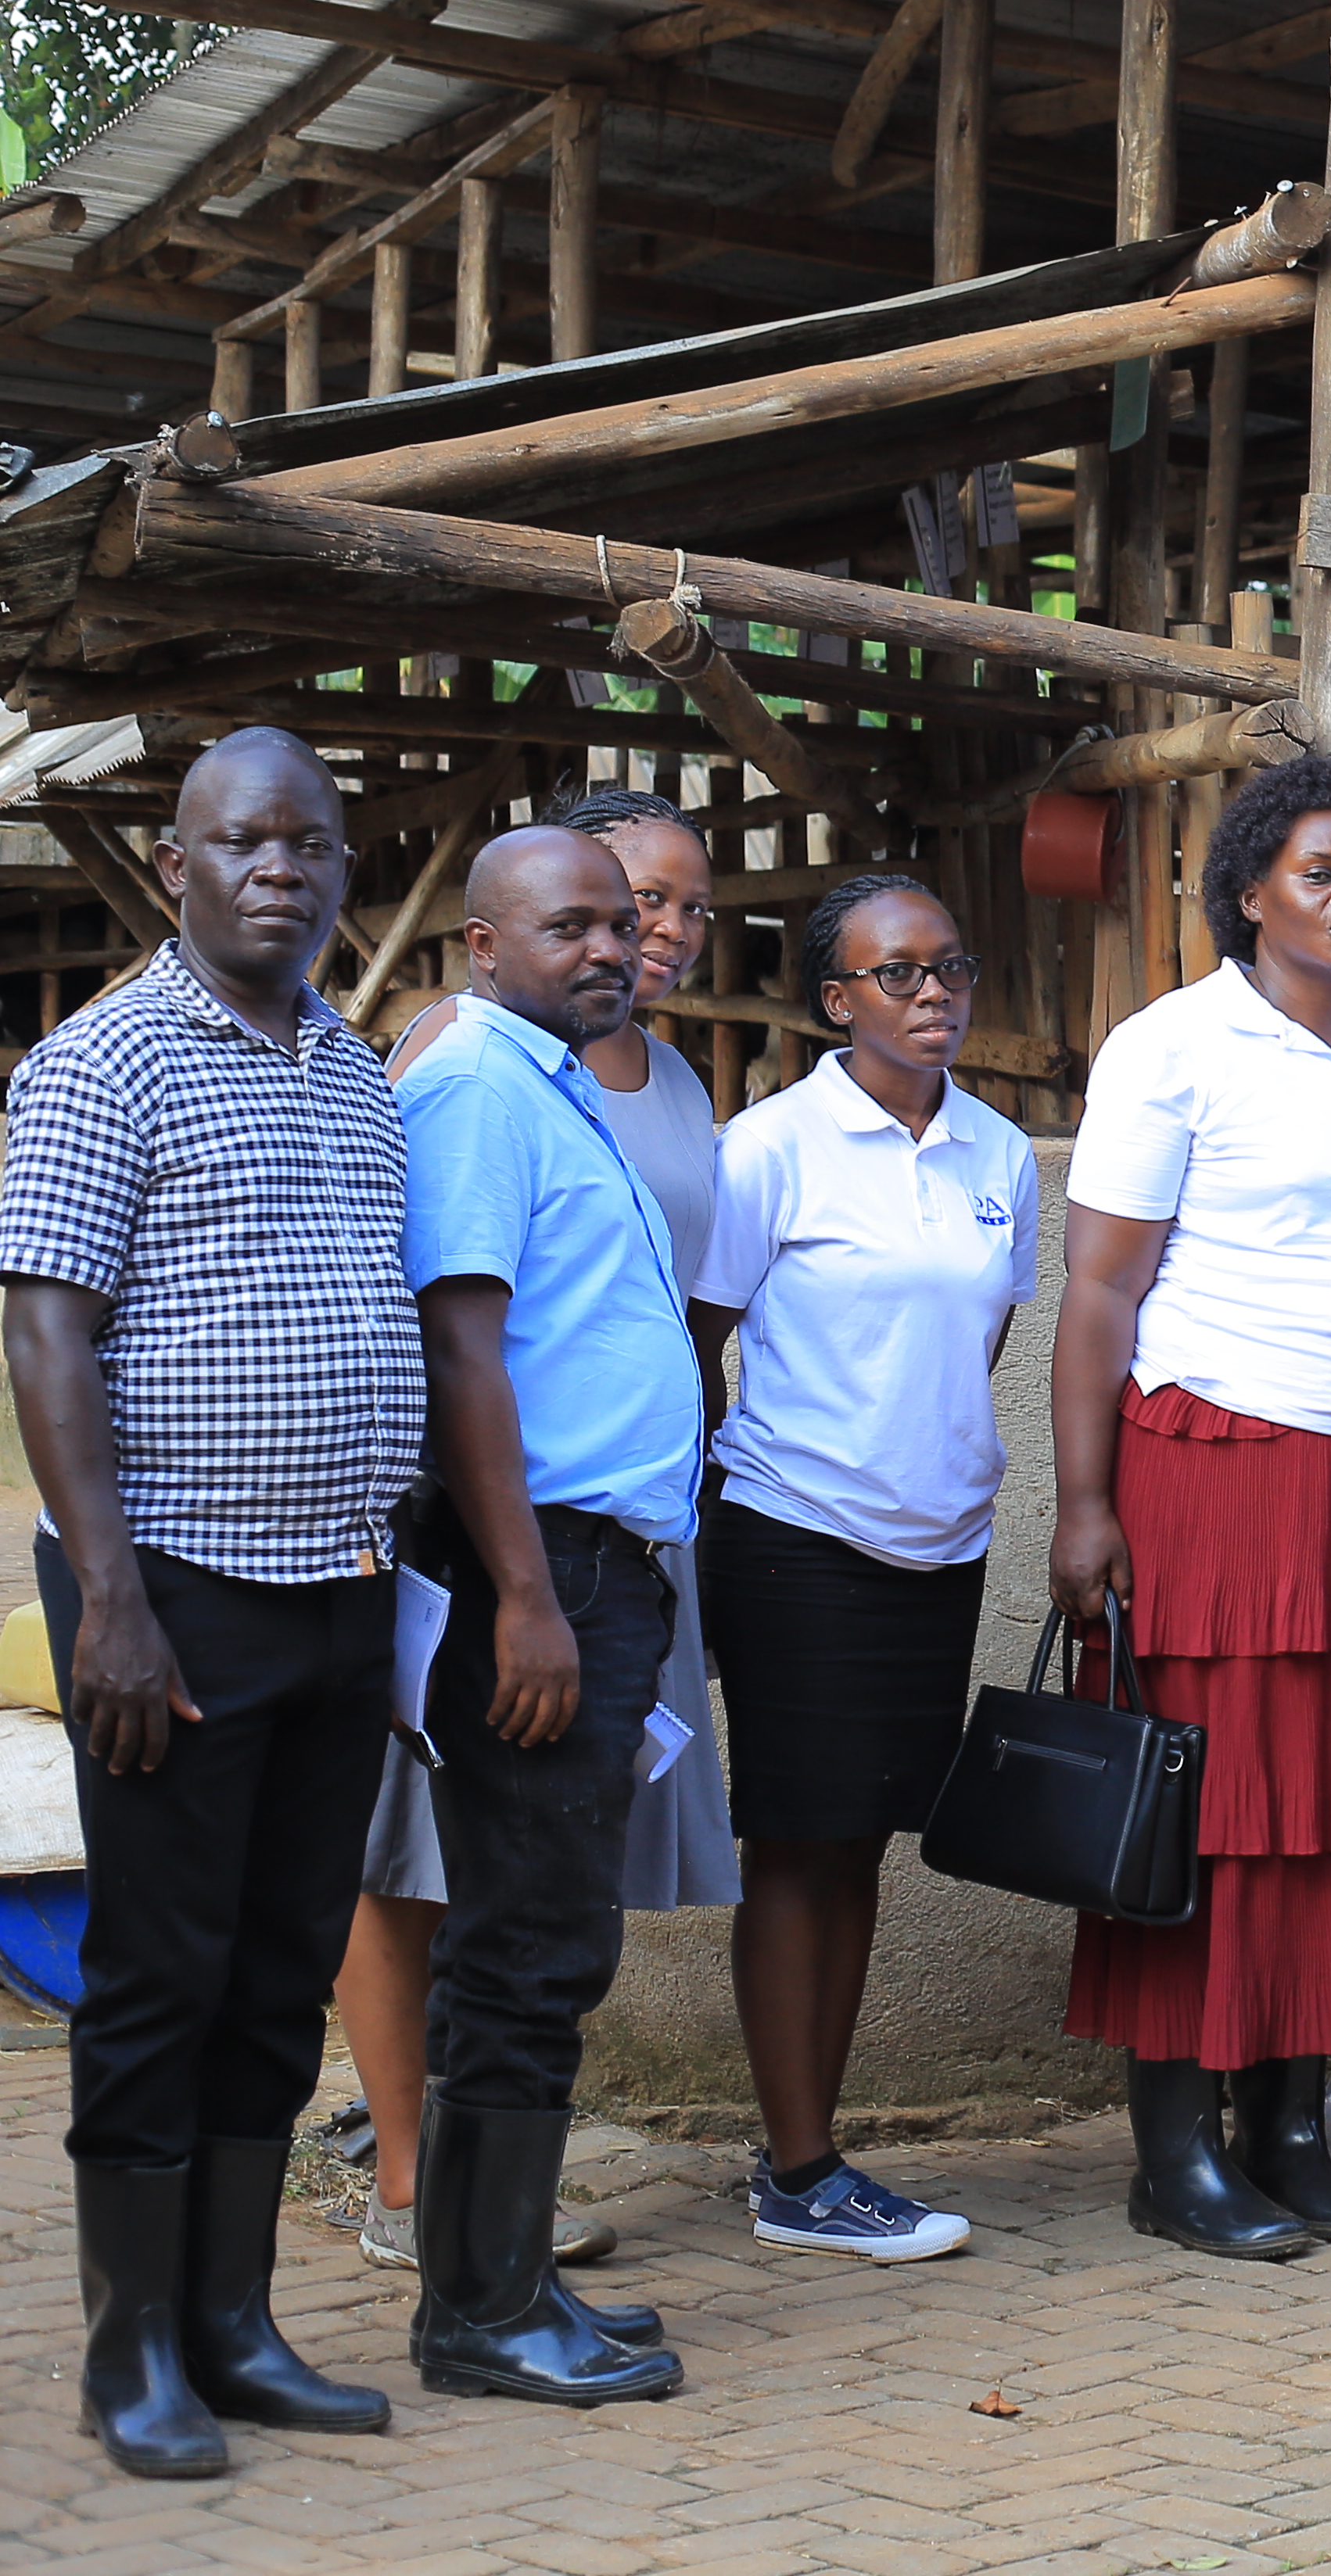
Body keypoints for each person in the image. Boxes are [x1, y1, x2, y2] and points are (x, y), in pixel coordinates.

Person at [4, 733, 418, 2477]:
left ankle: (239, 2326)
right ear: (178, 866)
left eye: (312, 846)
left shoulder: (353, 1066)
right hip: (169, 1597)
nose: (282, 869)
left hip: (341, 1588)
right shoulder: (103, 1063)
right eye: (245, 842)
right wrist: (109, 1597)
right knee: (161, 1972)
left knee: (274, 1973)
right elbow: (47, 1332)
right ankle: (133, 2350)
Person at [1057, 755, 1331, 2260]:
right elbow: (1099, 1288)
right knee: (1215, 1823)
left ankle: (1293, 2129)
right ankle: (1180, 2151)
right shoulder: (1174, 1049)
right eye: (1319, 873)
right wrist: (1084, 1507)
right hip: (1219, 1478)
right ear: (1248, 892)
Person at [346, 787, 741, 2281]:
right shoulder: (479, 1088)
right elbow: (462, 1351)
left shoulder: (569, 1081)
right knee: (523, 1946)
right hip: (546, 1568)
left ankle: (489, 2285)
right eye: (571, 923)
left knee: (548, 1939)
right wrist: (523, 1593)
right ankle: (487, 2300)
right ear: (484, 942)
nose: (617, 944)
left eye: (620, 919)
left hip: (603, 1564)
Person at [686, 875, 1034, 2263]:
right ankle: (798, 2166)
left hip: (935, 1545)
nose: (935, 991)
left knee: (862, 1844)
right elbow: (699, 1338)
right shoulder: (767, 1149)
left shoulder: (998, 1155)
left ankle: (813, 2157)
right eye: (899, 973)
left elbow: (980, 1346)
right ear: (838, 999)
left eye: (952, 966)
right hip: (795, 1536)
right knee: (796, 1844)